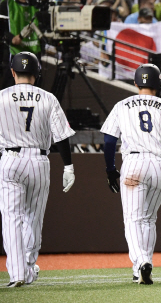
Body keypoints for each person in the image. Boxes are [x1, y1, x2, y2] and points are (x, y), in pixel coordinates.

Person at [101, 64, 161, 285]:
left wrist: (110, 169)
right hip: (160, 166)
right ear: (159, 85)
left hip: (134, 163)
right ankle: (141, 268)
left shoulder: (122, 105)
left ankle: (141, 261)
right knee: (149, 219)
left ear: (135, 83)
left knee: (133, 219)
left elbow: (109, 140)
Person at [0, 52, 75, 287]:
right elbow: (61, 137)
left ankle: (18, 273)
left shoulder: (0, 97)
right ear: (37, 74)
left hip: (10, 159)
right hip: (39, 161)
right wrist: (68, 166)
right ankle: (29, 266)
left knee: (12, 218)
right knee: (33, 217)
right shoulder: (48, 98)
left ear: (13, 72)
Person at [0, 0, 41, 88]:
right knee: (10, 91)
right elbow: (1, 27)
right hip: (14, 54)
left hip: (34, 53)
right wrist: (11, 38)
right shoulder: (7, 2)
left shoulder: (36, 4)